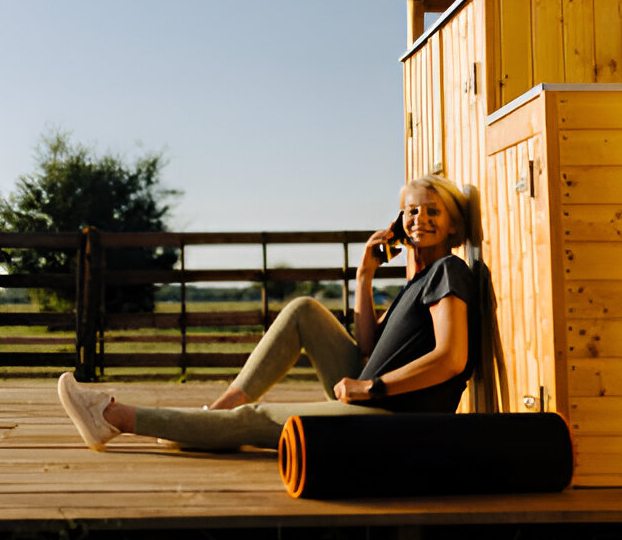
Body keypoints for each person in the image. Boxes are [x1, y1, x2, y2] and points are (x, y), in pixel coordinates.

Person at [57, 174, 478, 452]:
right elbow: (369, 347)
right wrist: (364, 275)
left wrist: (373, 390)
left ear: (453, 226)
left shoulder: (448, 271)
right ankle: (218, 410)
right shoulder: (416, 282)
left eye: (432, 211)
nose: (418, 218)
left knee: (252, 421)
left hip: (392, 418)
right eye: (411, 211)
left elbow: (451, 358)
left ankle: (110, 417)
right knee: (304, 310)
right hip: (373, 394)